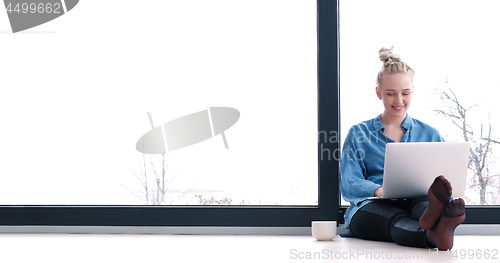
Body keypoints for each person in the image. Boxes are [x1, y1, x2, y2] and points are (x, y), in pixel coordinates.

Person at [340, 46, 465, 250]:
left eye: (405, 93)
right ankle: (434, 235)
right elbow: (349, 182)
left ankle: (433, 220)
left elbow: (446, 177)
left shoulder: (430, 134)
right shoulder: (358, 133)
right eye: (390, 94)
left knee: (424, 205)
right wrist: (379, 190)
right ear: (378, 93)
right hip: (371, 205)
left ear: (412, 91)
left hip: (416, 200)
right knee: (395, 219)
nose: (399, 101)